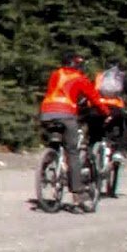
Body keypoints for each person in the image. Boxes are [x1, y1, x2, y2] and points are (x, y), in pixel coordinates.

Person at [38, 52, 99, 203]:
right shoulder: (79, 78)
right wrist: (104, 111)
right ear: (76, 65)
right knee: (72, 152)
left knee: (55, 141)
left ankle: (48, 164)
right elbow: (94, 97)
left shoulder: (55, 74)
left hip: (46, 112)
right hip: (66, 114)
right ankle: (77, 192)